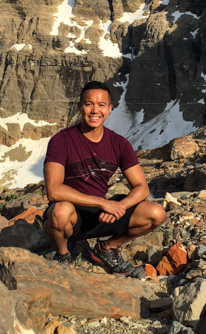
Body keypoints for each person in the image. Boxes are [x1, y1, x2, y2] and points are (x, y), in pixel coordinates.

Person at [43, 80, 166, 274]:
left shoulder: (119, 143)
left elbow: (142, 187)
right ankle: (63, 253)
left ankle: (106, 249)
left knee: (156, 213)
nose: (94, 111)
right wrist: (102, 203)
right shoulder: (61, 141)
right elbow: (54, 190)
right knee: (60, 212)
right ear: (79, 106)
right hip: (72, 214)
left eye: (101, 105)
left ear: (109, 109)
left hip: (101, 216)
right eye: (88, 104)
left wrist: (120, 206)